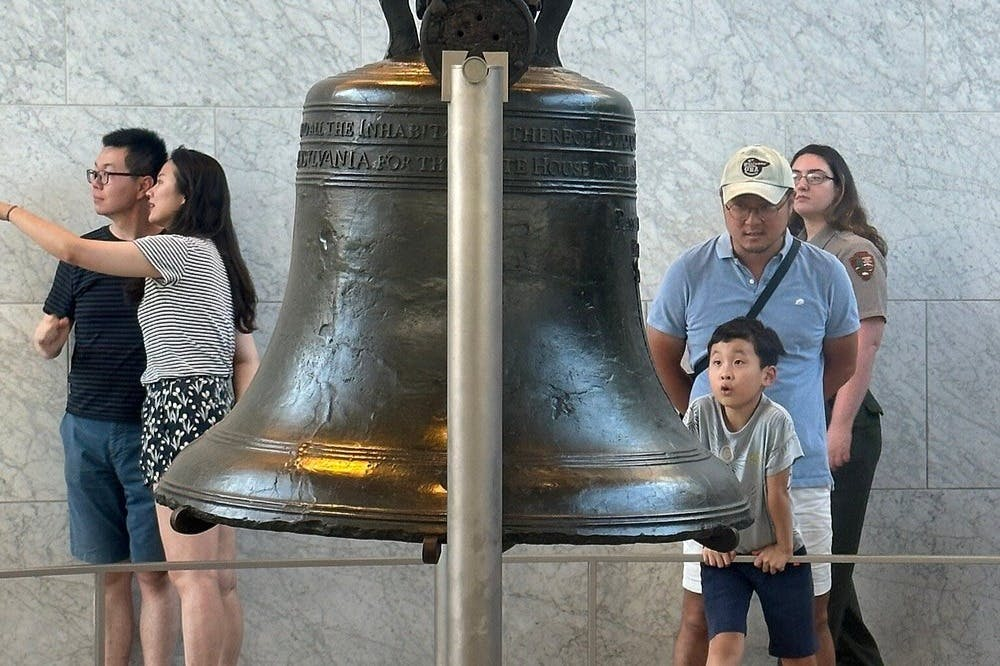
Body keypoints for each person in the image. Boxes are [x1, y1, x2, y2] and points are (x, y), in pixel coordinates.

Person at [2, 146, 259, 666]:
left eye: (160, 181)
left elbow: (74, 251)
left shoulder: (180, 248)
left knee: (192, 581)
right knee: (217, 580)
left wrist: (8, 211)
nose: (150, 189)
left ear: (185, 196)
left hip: (178, 412)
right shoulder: (208, 253)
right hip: (204, 411)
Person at [645, 144, 860, 666]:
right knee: (700, 618)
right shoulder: (690, 270)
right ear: (723, 205)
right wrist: (705, 422)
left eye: (764, 205)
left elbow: (841, 364)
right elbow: (662, 359)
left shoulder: (826, 273)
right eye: (739, 205)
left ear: (789, 203)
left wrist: (786, 417)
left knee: (812, 620)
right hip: (711, 484)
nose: (751, 218)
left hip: (800, 476)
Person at [31, 127, 178, 666]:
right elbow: (48, 335)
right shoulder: (79, 255)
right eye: (92, 173)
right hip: (85, 429)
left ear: (145, 184)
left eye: (106, 174)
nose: (95, 183)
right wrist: (49, 336)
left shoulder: (180, 254)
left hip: (154, 434)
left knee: (157, 577)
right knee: (110, 576)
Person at [790, 144, 888, 666]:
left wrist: (840, 426)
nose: (803, 184)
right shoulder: (790, 249)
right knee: (822, 577)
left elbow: (864, 344)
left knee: (824, 576)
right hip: (804, 419)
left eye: (817, 176)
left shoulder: (852, 252)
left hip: (838, 421)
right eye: (796, 175)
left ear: (839, 188)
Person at [686, 317, 815, 666]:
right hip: (725, 556)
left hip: (778, 556)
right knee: (723, 649)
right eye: (716, 361)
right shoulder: (700, 412)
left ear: (767, 376)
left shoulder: (776, 421)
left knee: (798, 655)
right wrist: (708, 539)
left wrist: (784, 548)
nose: (725, 372)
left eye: (739, 361)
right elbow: (696, 484)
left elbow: (777, 493)